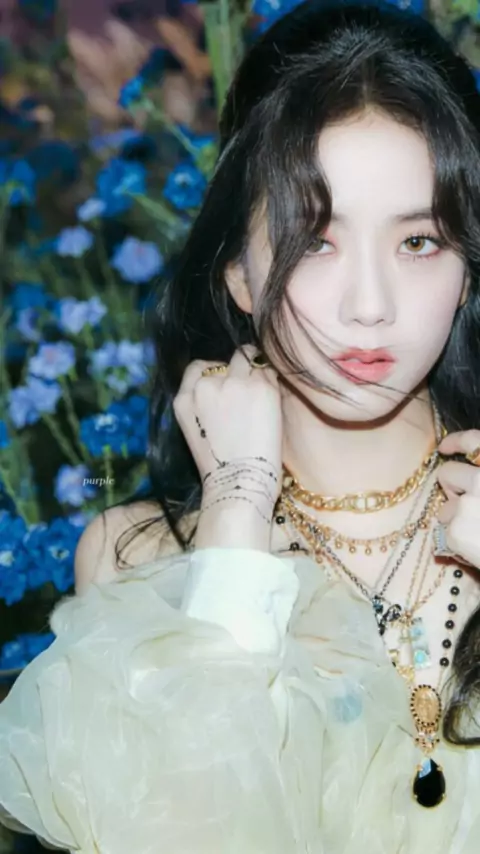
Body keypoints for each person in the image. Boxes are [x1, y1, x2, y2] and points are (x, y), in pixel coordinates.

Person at [2, 0, 480, 850]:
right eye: (315, 241)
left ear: (468, 269)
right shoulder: (140, 563)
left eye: (419, 243)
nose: (370, 306)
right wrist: (234, 521)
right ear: (237, 273)